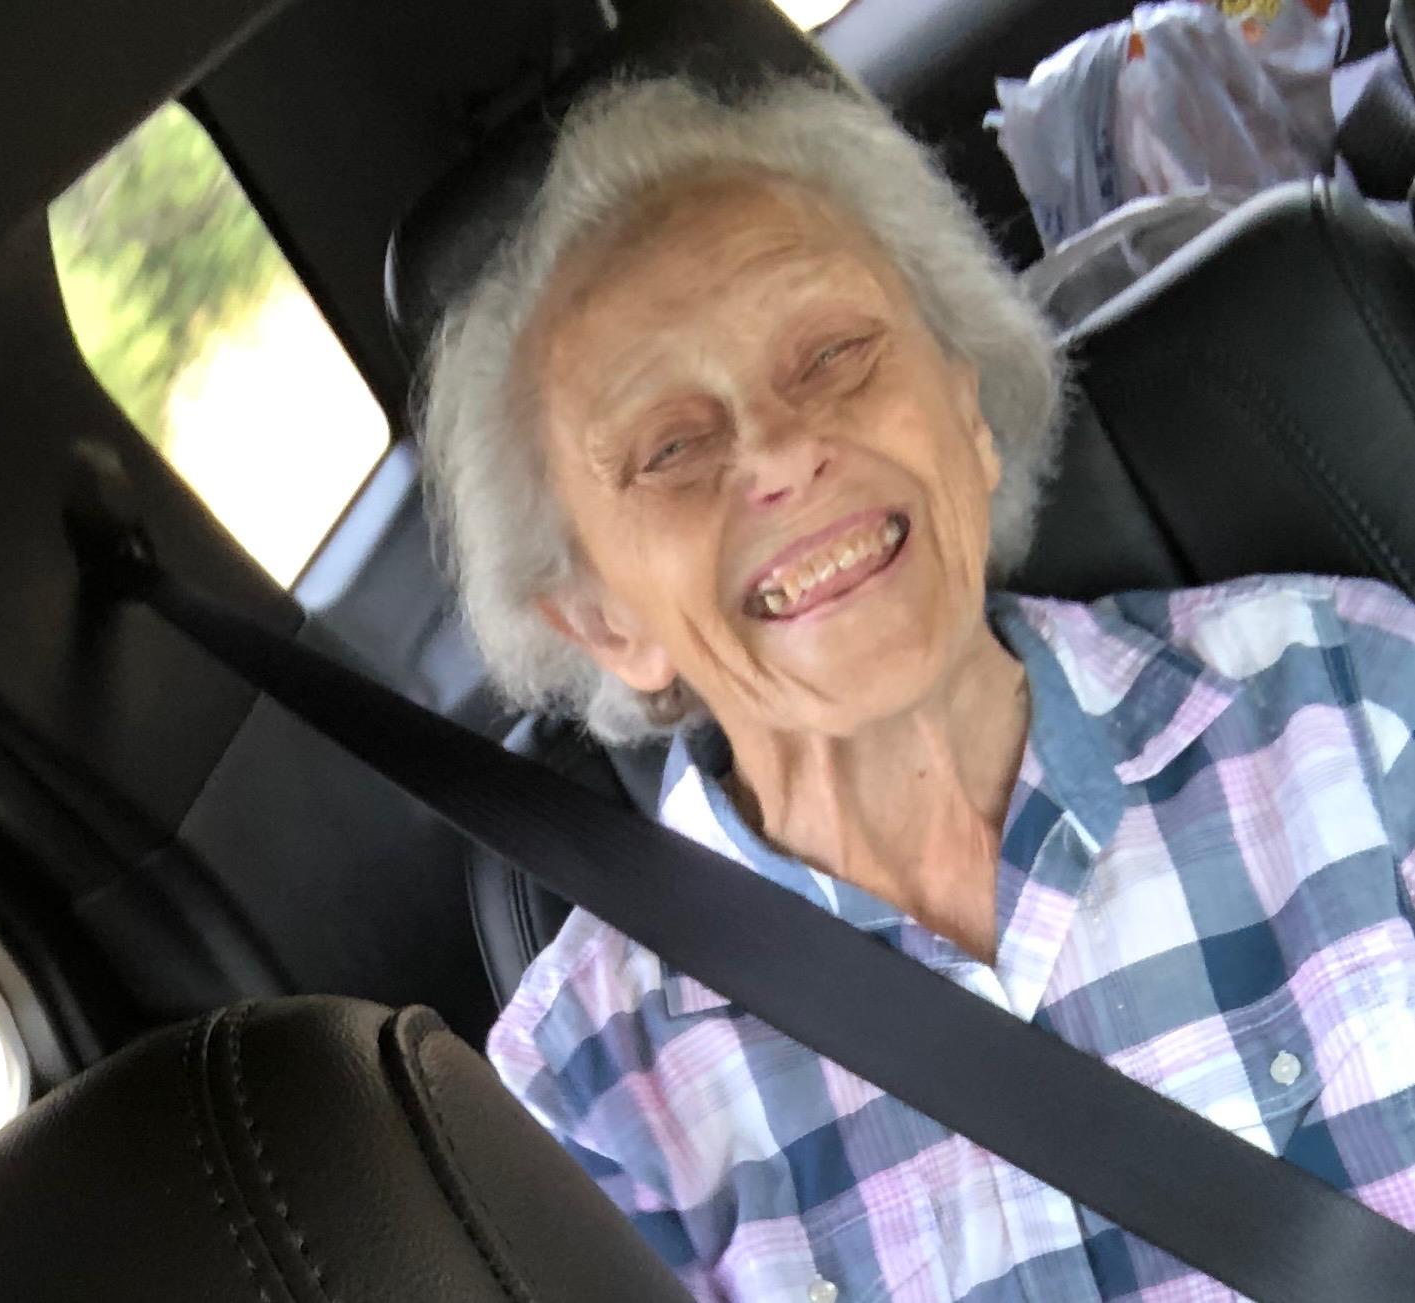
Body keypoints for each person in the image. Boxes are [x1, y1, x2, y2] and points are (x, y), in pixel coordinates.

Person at [421, 74, 1415, 1302]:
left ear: (966, 402)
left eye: (832, 355)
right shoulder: (583, 1112)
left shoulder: (1349, 696)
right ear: (603, 622)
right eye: (669, 447)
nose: (780, 451)